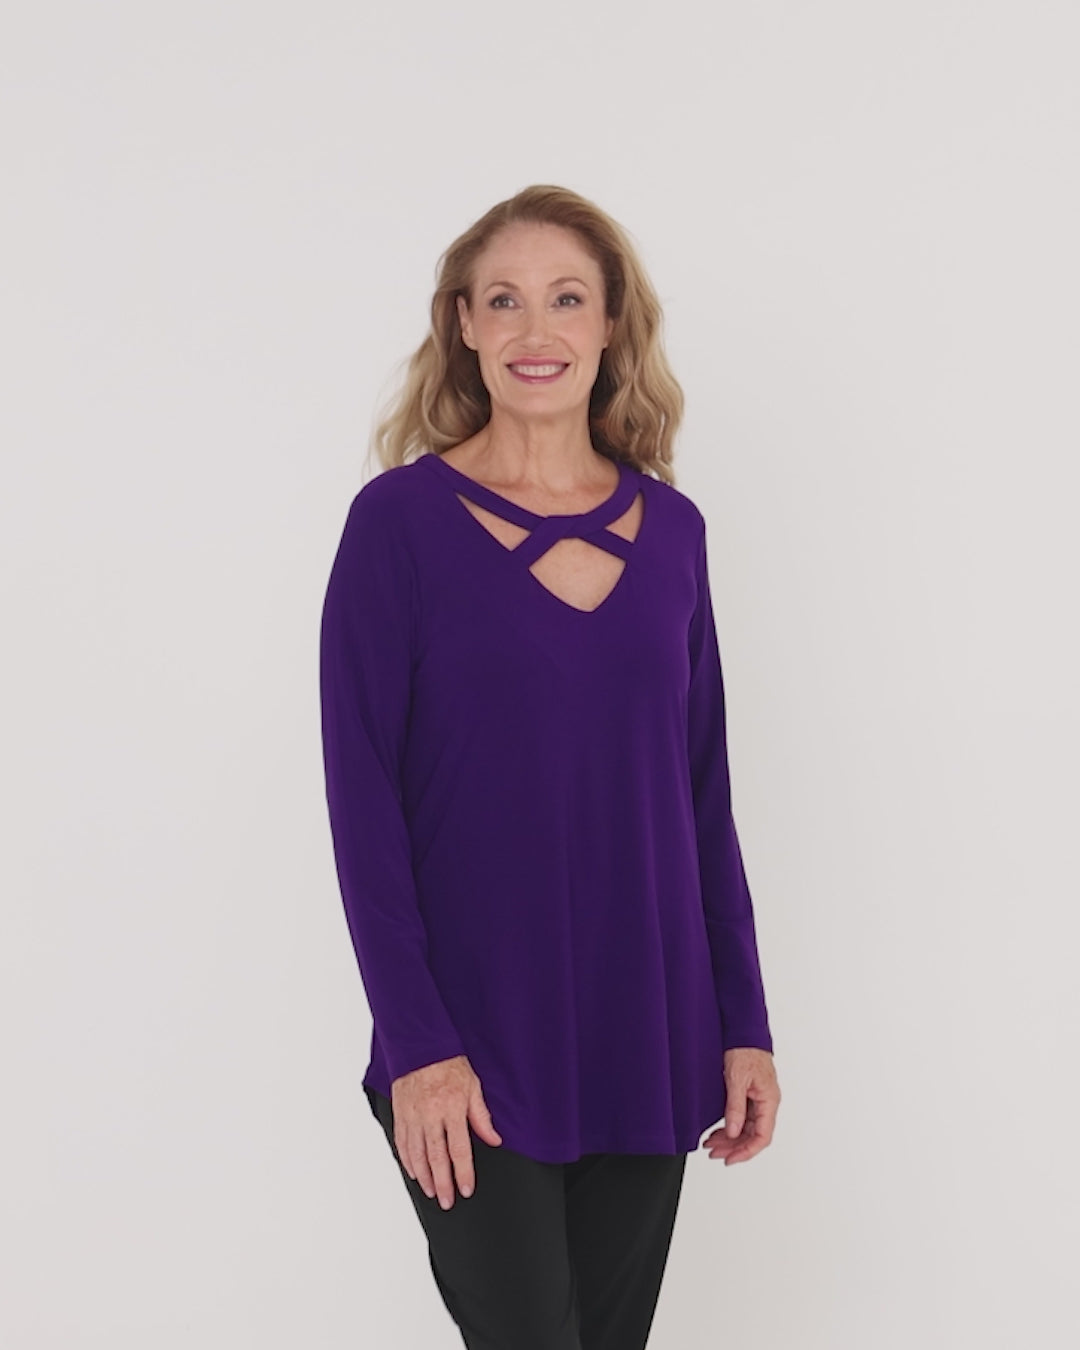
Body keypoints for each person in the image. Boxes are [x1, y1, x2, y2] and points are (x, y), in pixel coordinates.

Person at [319, 183, 781, 1350]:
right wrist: (418, 1047)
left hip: (649, 1021)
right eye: (505, 301)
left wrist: (744, 1022)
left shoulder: (674, 535)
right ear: (463, 325)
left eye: (567, 299)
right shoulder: (397, 526)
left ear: (612, 324)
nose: (536, 330)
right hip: (471, 1035)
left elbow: (703, 798)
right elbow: (362, 805)